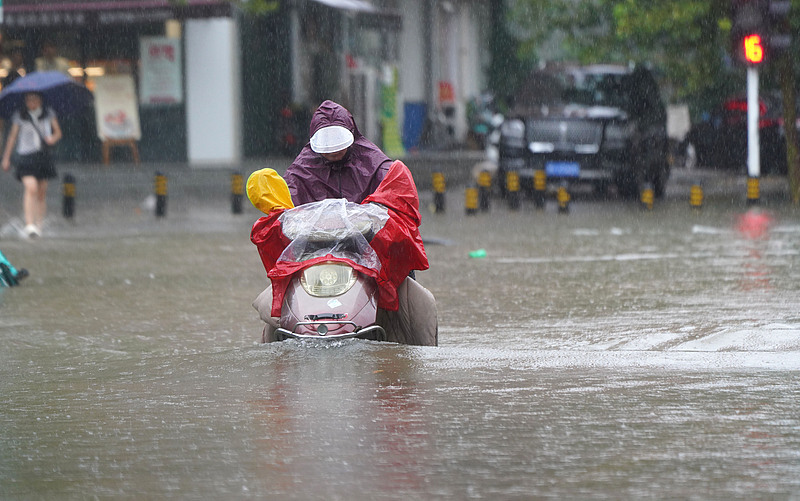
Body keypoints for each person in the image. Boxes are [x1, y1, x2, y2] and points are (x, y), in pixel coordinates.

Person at [250, 100, 437, 346]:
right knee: (271, 305)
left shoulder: (377, 165)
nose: (333, 152)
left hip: (372, 256)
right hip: (314, 257)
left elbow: (397, 201)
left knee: (419, 304)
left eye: (338, 145)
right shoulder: (301, 170)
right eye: (327, 147)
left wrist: (378, 217)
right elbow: (286, 206)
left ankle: (421, 352)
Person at [1, 92, 62, 238]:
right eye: (28, 100)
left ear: (40, 100)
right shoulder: (20, 115)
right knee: (31, 188)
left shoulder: (48, 113)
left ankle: (38, 225)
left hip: (43, 156)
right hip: (25, 156)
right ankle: (29, 225)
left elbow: (58, 132)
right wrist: (6, 157)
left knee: (41, 192)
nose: (31, 103)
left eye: (34, 99)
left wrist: (52, 139)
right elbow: (12, 136)